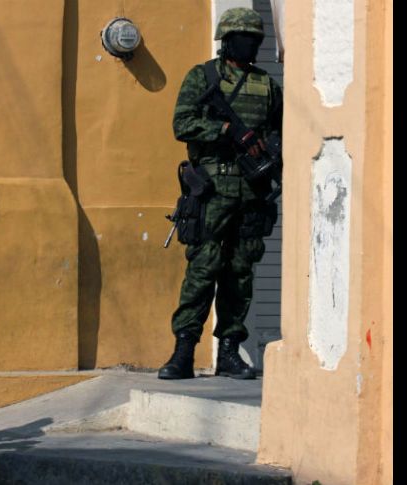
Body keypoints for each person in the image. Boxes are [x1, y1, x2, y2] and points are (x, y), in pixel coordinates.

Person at [158, 8, 283, 380]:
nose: (249, 44)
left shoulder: (266, 84)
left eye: (254, 39)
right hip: (212, 191)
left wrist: (271, 151)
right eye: (242, 38)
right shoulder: (203, 77)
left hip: (252, 191)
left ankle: (229, 351)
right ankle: (183, 352)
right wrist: (226, 130)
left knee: (240, 273)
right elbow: (182, 124)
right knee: (203, 269)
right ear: (226, 40)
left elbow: (281, 130)